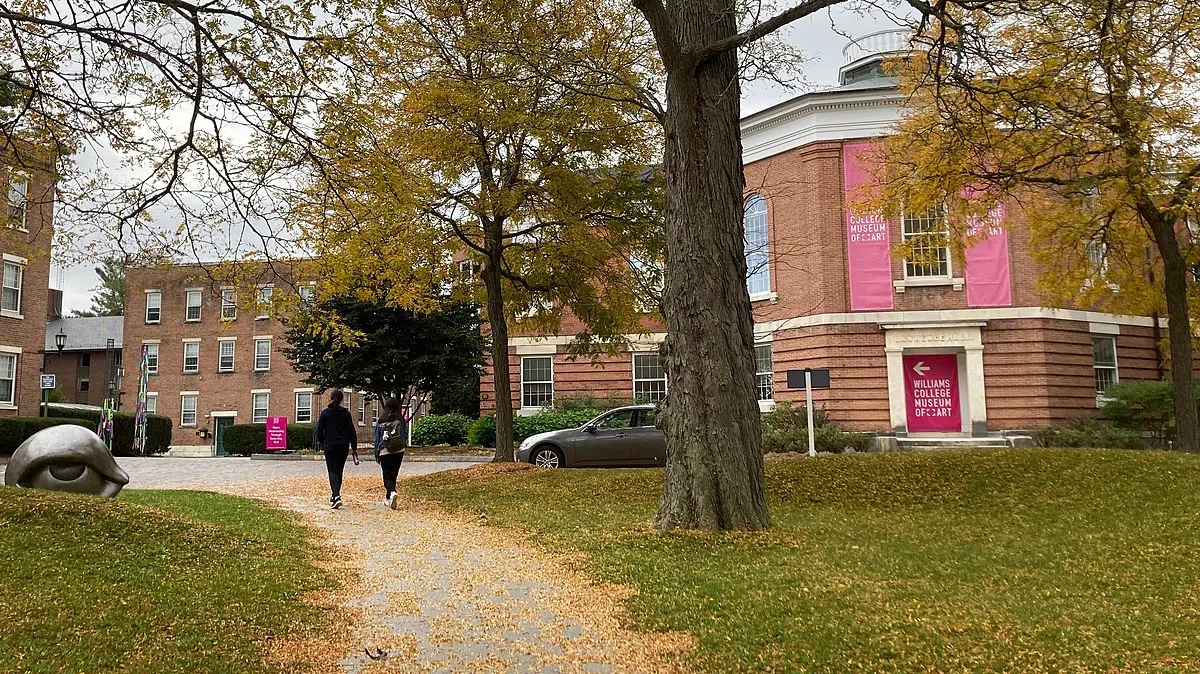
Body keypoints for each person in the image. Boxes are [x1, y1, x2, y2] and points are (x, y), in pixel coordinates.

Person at [315, 389, 358, 509]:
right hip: (343, 446)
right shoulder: (346, 413)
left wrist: (324, 442)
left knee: (332, 471)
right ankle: (335, 495)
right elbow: (352, 432)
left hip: (330, 445)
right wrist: (354, 447)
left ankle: (336, 496)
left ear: (331, 398)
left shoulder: (325, 414)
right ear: (341, 400)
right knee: (339, 471)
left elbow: (318, 432)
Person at [375, 396, 409, 509]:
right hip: (399, 450)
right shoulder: (400, 419)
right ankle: (388, 498)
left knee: (386, 474)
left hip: (385, 450)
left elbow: (377, 438)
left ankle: (392, 491)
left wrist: (376, 453)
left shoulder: (381, 419)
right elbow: (404, 434)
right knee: (394, 474)